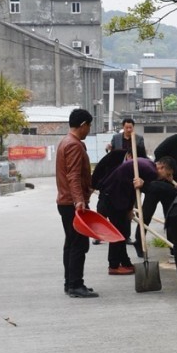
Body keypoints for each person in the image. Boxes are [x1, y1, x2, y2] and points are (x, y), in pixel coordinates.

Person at [56, 108, 97, 298]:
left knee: (71, 243)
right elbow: (73, 175)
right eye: (89, 126)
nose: (89, 130)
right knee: (79, 244)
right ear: (83, 125)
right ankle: (75, 285)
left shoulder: (65, 142)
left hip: (67, 202)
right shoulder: (74, 145)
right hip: (73, 203)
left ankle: (70, 282)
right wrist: (79, 200)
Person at [90, 144, 134, 275]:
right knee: (117, 232)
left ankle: (125, 262)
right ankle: (114, 265)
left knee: (123, 233)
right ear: (129, 155)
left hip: (122, 200)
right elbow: (98, 169)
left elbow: (132, 190)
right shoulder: (116, 156)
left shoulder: (134, 166)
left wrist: (130, 208)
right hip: (109, 197)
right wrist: (93, 186)